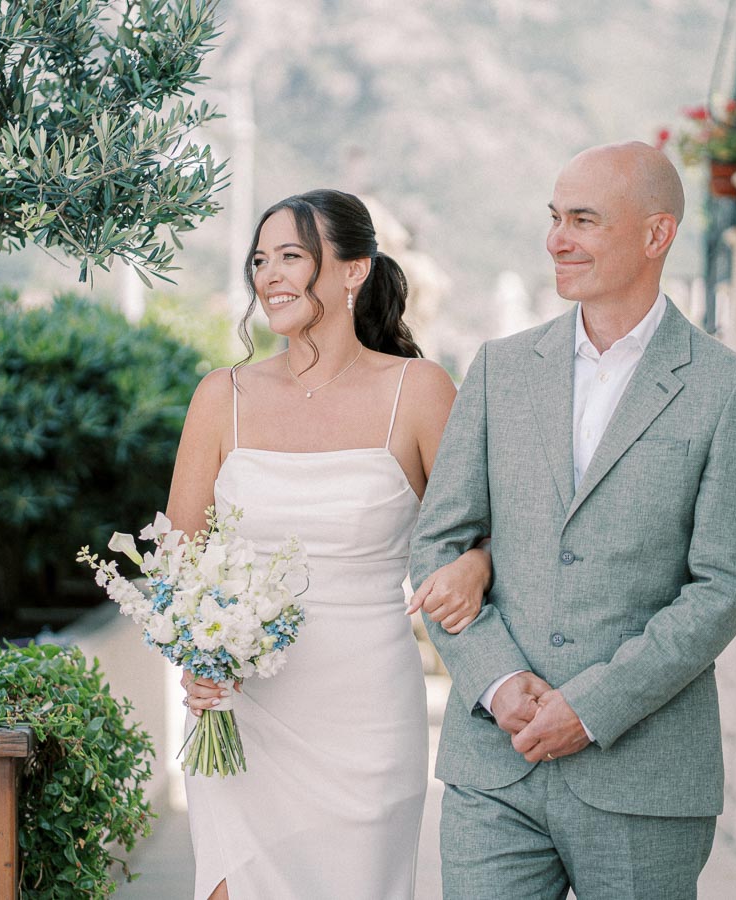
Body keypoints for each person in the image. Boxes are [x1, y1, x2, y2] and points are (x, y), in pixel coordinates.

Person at [410, 142, 736, 899]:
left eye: (582, 220)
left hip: (644, 777)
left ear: (656, 234)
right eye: (553, 218)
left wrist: (591, 707)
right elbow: (439, 544)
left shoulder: (730, 390)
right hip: (494, 766)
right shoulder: (500, 369)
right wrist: (497, 680)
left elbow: (724, 587)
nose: (557, 241)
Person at [169, 189, 491, 899]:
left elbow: (487, 532)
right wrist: (196, 656)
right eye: (260, 259)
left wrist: (474, 561)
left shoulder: (422, 390)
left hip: (366, 718)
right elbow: (180, 561)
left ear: (355, 270)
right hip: (242, 716)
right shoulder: (219, 397)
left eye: (292, 256)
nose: (270, 275)